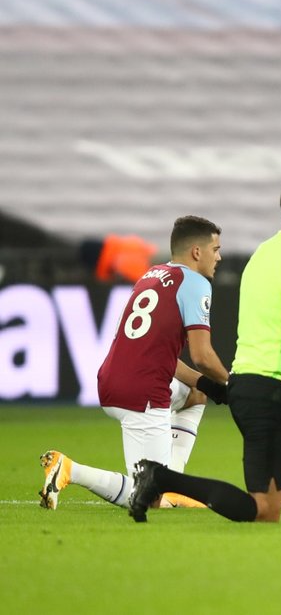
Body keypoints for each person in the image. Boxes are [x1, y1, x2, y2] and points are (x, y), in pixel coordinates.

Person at [127, 175, 281, 523]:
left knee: (268, 509)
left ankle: (160, 477)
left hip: (251, 386)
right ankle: (160, 477)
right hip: (270, 391)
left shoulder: (266, 252)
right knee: (262, 511)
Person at [39, 216, 229, 510]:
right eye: (215, 249)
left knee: (196, 395)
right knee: (149, 497)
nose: (219, 256)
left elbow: (157, 352)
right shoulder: (195, 284)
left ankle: (173, 485)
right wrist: (230, 383)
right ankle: (70, 470)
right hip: (143, 391)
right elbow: (203, 356)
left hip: (112, 380)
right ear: (196, 252)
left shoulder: (151, 275)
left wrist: (206, 384)